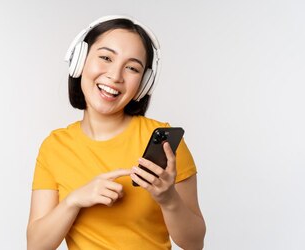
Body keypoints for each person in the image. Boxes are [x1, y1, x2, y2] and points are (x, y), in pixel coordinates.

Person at [26, 15, 206, 250]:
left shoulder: (164, 143)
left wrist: (168, 199)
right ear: (79, 61)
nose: (115, 76)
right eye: (105, 57)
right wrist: (74, 201)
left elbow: (195, 243)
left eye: (132, 67)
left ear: (144, 83)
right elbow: (36, 246)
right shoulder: (55, 146)